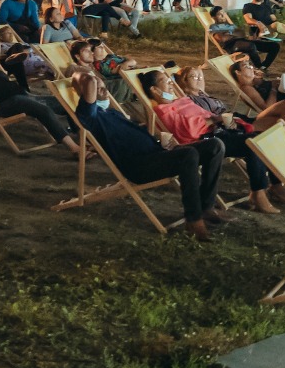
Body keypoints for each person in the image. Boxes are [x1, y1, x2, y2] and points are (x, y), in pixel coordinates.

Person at [71, 71, 226, 241]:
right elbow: (89, 80)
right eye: (98, 88)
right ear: (84, 91)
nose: (104, 90)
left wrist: (159, 139)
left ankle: (206, 206)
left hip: (156, 154)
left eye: (104, 87)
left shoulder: (112, 113)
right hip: (139, 166)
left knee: (215, 146)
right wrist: (83, 74)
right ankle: (194, 220)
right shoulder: (89, 116)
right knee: (188, 155)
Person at [145, 68, 282, 214]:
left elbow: (206, 114)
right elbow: (188, 130)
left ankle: (274, 186)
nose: (170, 83)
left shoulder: (182, 100)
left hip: (219, 131)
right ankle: (258, 193)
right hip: (203, 141)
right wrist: (212, 119)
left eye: (169, 79)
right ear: (154, 89)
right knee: (252, 142)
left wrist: (223, 120)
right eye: (164, 81)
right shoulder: (162, 110)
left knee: (260, 137)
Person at [0, 40, 79, 153]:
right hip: (6, 103)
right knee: (43, 110)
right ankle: (73, 148)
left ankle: (82, 136)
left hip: (24, 96)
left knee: (64, 102)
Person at [239, 0, 284, 68]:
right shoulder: (248, 6)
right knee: (275, 44)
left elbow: (274, 19)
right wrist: (259, 23)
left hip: (271, 30)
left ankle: (264, 66)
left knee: (277, 26)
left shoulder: (266, 6)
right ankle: (263, 66)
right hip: (259, 32)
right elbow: (248, 19)